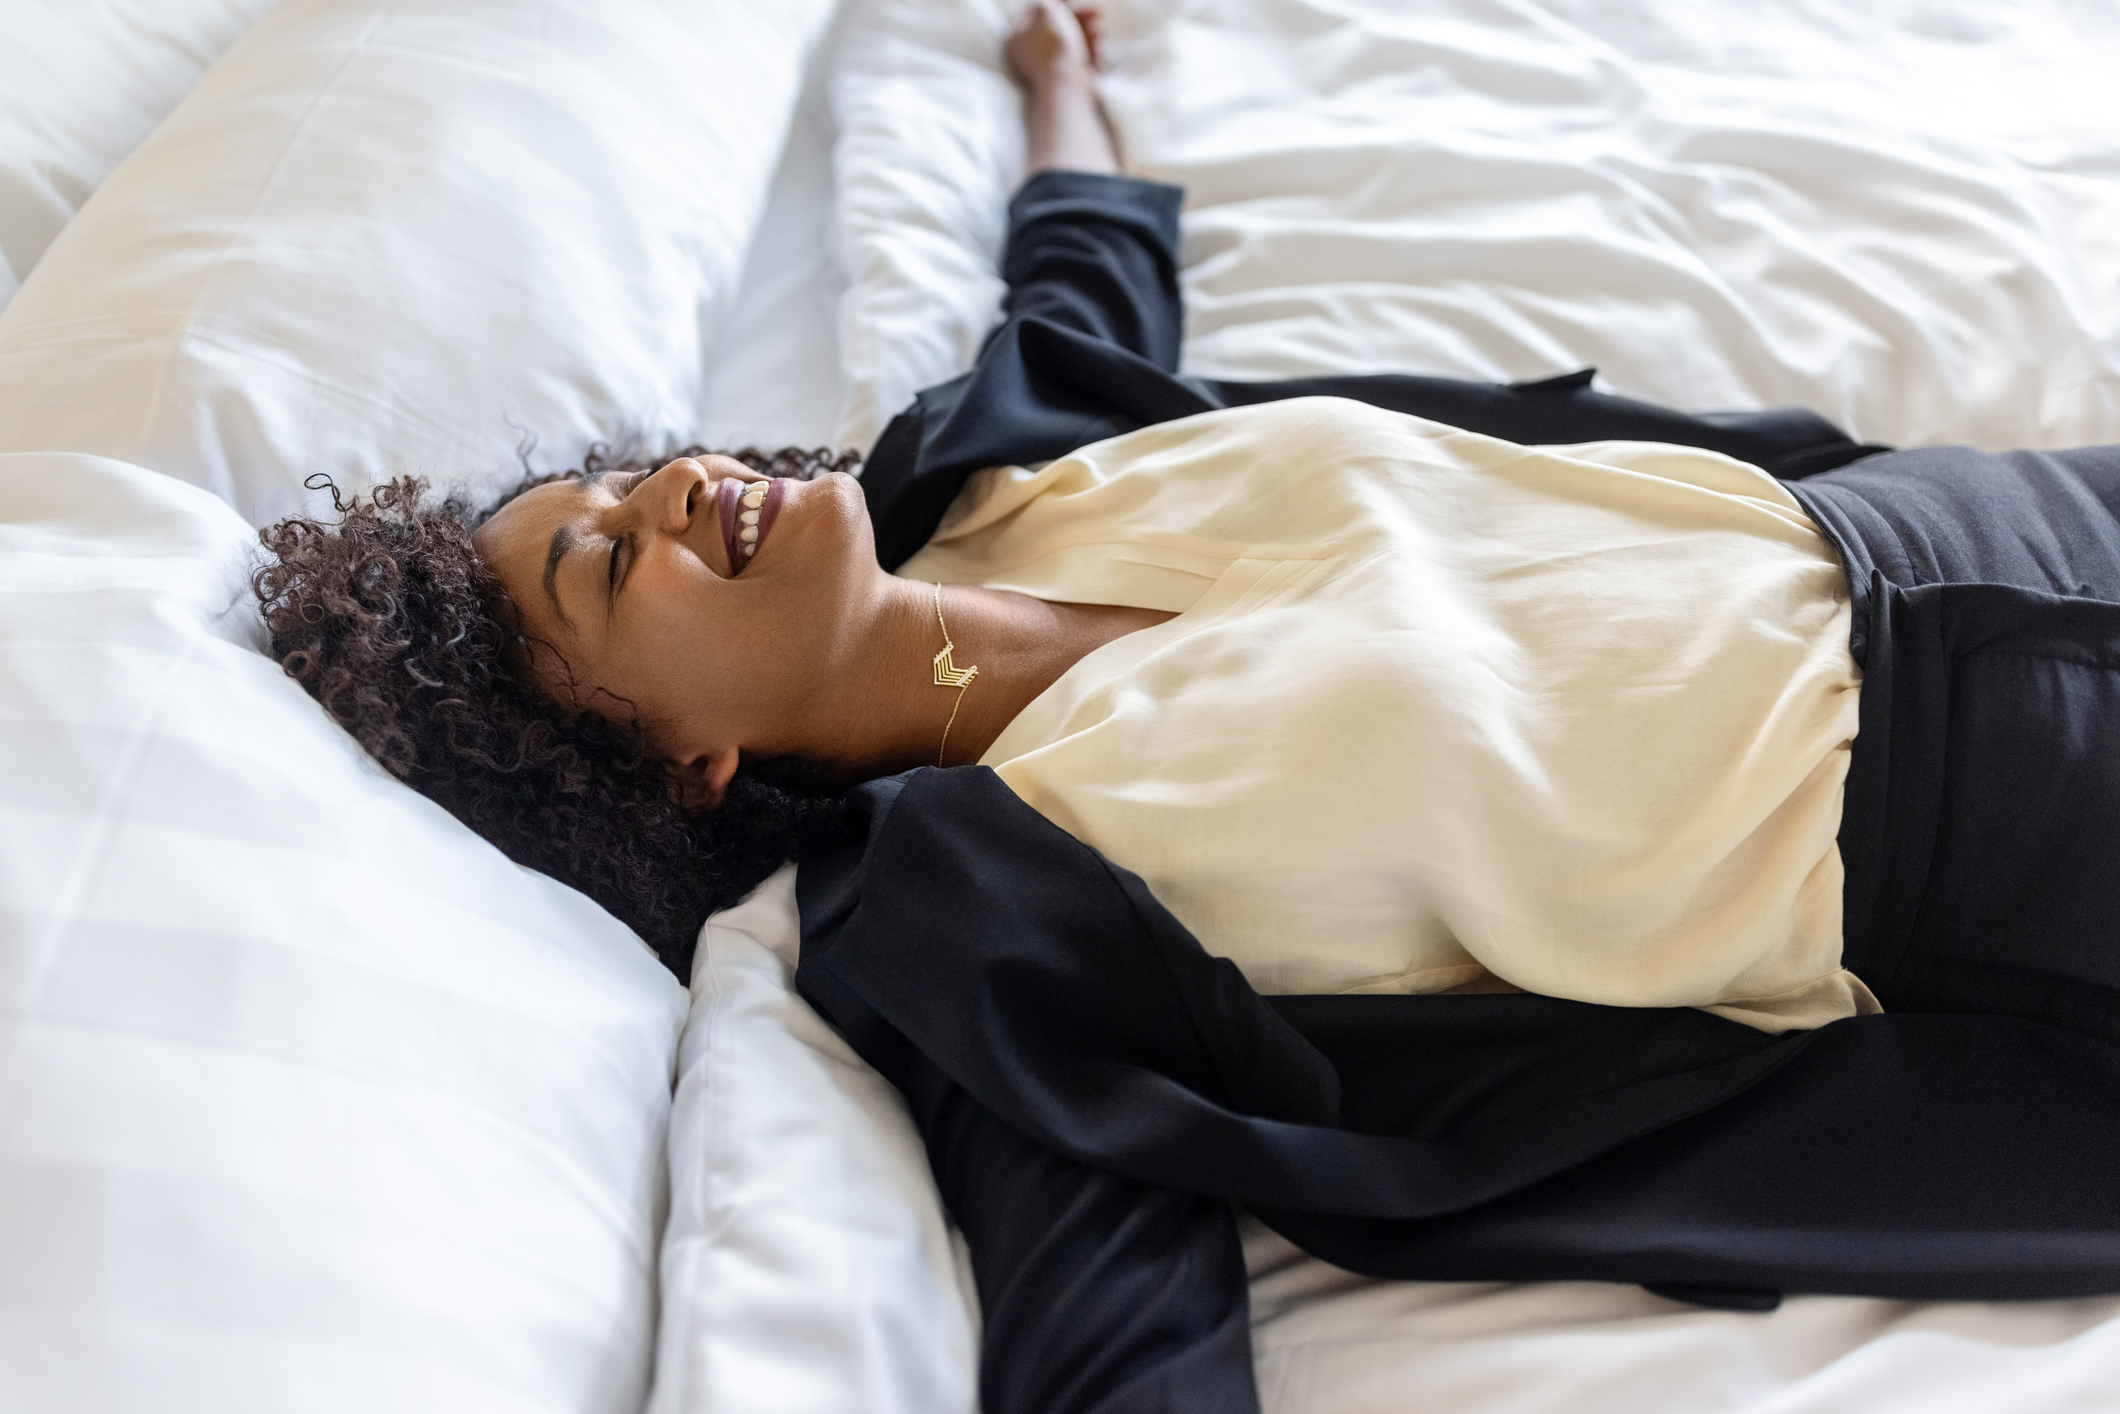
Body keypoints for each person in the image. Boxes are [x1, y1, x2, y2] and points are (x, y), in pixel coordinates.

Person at [257, 4, 2120, 1409]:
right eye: (601, 563)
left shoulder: (1001, 462)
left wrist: (1058, 95)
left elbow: (1086, 287)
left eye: (619, 476)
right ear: (681, 766)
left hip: (1982, 522)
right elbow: (1109, 1294)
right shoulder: (970, 920)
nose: (658, 491)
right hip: (2009, 857)